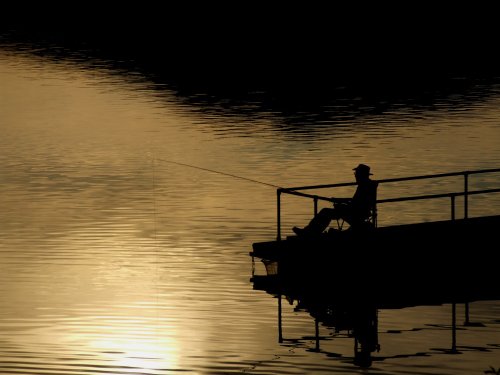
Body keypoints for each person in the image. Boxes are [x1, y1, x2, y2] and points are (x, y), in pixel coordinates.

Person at [293, 164, 378, 236]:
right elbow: (356, 201)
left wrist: (342, 206)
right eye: (355, 173)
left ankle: (309, 232)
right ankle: (311, 231)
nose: (355, 175)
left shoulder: (364, 186)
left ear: (361, 175)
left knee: (326, 212)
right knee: (328, 212)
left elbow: (357, 204)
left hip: (356, 214)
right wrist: (340, 201)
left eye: (356, 173)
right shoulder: (367, 184)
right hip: (358, 212)